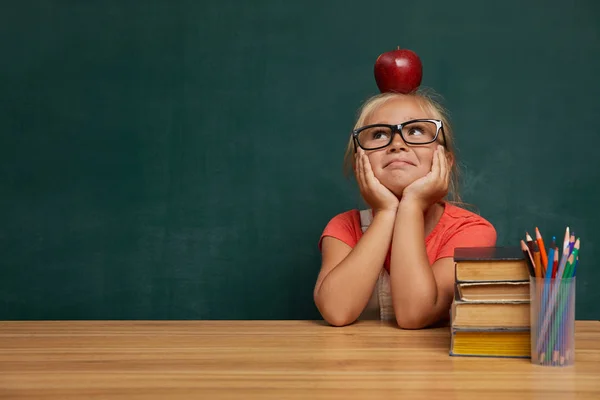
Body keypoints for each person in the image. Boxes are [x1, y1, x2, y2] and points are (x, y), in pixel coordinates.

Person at [314, 89, 497, 329]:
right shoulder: (344, 228)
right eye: (379, 134)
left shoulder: (471, 231)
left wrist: (412, 204)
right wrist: (386, 211)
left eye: (417, 130)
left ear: (445, 161)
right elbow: (337, 312)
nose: (397, 144)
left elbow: (414, 315)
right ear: (359, 161)